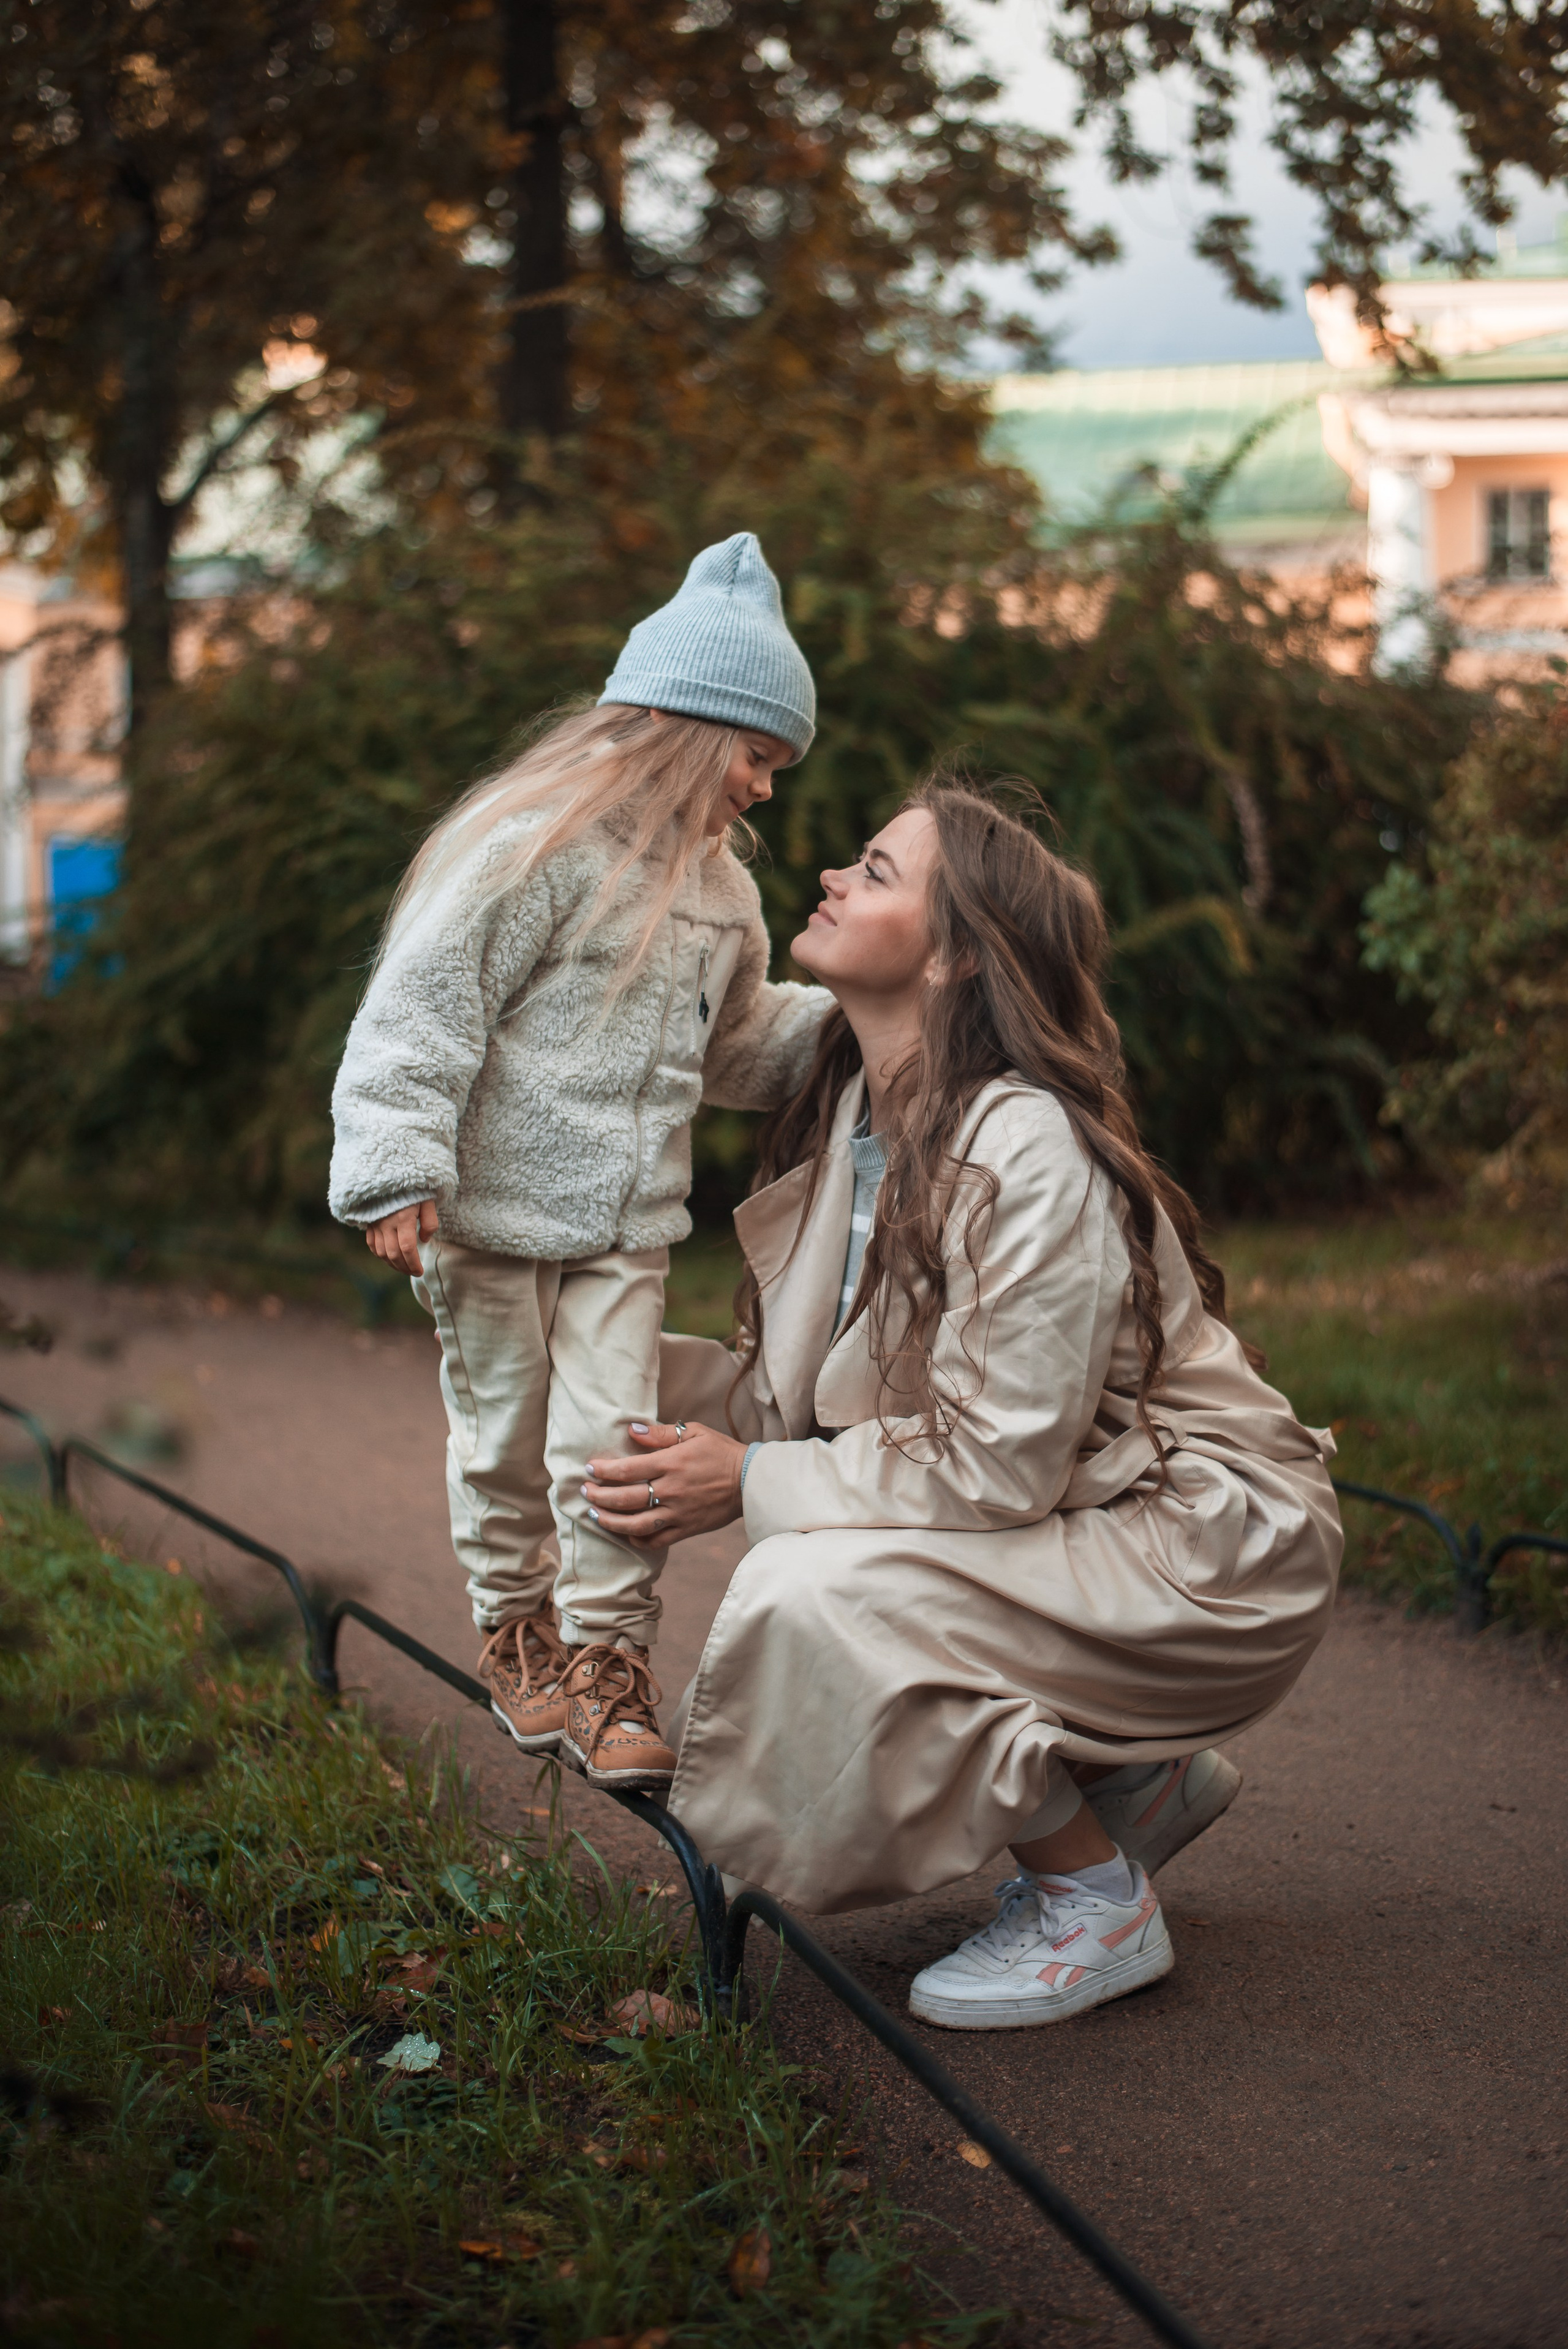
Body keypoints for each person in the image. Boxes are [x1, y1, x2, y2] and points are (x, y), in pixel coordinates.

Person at [582, 778, 1343, 2030]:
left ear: (951, 958)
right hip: (1091, 1518)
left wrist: (744, 1483)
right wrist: (585, 1362)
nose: (830, 875)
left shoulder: (1022, 1145)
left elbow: (990, 1467)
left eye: (874, 871)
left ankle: (1096, 1901)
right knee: (819, 1545)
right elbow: (807, 1400)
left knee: (818, 1587)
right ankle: (1123, 1780)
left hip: (1213, 1544)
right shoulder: (854, 1120)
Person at [328, 534, 829, 1791]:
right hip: (490, 1217)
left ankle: (609, 1663)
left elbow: (738, 1045)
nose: (763, 788)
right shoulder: (529, 846)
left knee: (615, 1439)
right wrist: (395, 1162)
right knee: (504, 1438)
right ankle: (517, 1626)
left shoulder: (724, 897)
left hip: (627, 1227)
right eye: (755, 757)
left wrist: (858, 1019)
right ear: (683, 724)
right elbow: (425, 1002)